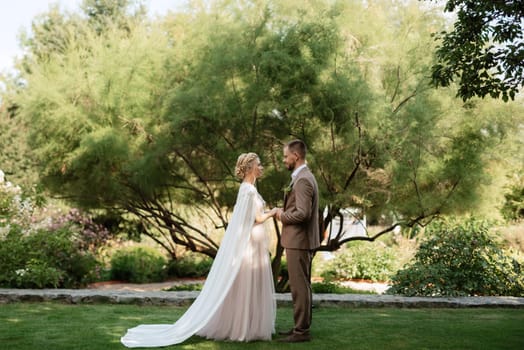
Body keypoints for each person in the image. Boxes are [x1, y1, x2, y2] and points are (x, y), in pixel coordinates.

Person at [121, 153, 277, 347]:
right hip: (250, 245)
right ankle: (242, 328)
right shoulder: (249, 191)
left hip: (252, 243)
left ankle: (245, 326)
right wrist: (274, 212)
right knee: (246, 286)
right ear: (249, 168)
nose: (261, 167)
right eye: (258, 164)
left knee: (245, 287)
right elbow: (257, 218)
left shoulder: (248, 188)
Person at [276, 139, 320, 343]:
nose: (284, 160)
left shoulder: (302, 179)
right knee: (302, 286)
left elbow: (302, 213)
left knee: (299, 287)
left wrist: (281, 215)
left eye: (286, 156)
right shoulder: (302, 177)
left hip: (298, 241)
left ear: (296, 156)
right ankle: (300, 327)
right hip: (299, 241)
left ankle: (301, 332)